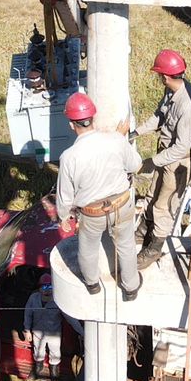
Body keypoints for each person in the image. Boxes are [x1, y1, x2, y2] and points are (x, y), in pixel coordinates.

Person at [54, 93, 141, 301]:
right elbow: (135, 165)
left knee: (88, 248)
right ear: (93, 118)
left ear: (71, 124)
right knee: (126, 246)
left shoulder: (69, 157)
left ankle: (92, 284)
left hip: (92, 213)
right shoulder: (115, 140)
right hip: (121, 204)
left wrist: (64, 217)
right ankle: (131, 288)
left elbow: (65, 195)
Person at [132, 49, 191, 268]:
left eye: (159, 75)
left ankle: (153, 249)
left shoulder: (187, 104)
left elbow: (181, 147)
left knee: (164, 205)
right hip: (166, 154)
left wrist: (153, 162)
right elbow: (160, 115)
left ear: (165, 76)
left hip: (178, 161)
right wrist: (138, 132)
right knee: (151, 195)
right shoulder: (171, 91)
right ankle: (143, 232)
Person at [23, 273, 64, 379]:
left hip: (54, 333)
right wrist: (27, 330)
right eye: (44, 287)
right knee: (38, 350)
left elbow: (69, 318)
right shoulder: (33, 298)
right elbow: (28, 314)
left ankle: (54, 372)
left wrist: (81, 331)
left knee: (55, 352)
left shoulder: (59, 300)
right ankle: (38, 368)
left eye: (50, 286)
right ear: (39, 289)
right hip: (37, 332)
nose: (47, 290)